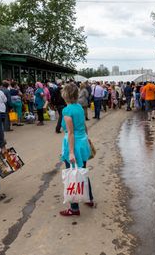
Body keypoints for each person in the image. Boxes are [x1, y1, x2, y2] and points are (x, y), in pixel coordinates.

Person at [59, 83, 93, 216]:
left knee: (73, 174)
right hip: (82, 142)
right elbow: (84, 125)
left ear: (65, 95)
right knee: (82, 171)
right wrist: (87, 137)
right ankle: (88, 198)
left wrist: (71, 152)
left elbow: (70, 132)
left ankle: (74, 208)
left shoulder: (67, 110)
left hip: (74, 144)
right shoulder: (79, 106)